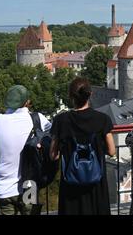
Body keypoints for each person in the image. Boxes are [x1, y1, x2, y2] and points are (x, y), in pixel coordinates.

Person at [50, 77, 116, 215]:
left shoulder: (61, 120)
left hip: (71, 184)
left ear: (70, 96)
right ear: (90, 94)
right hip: (95, 182)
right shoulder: (103, 119)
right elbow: (111, 151)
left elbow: (53, 155)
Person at [0, 85, 51, 215]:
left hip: (3, 188)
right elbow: (51, 133)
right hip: (29, 185)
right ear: (27, 102)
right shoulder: (37, 119)